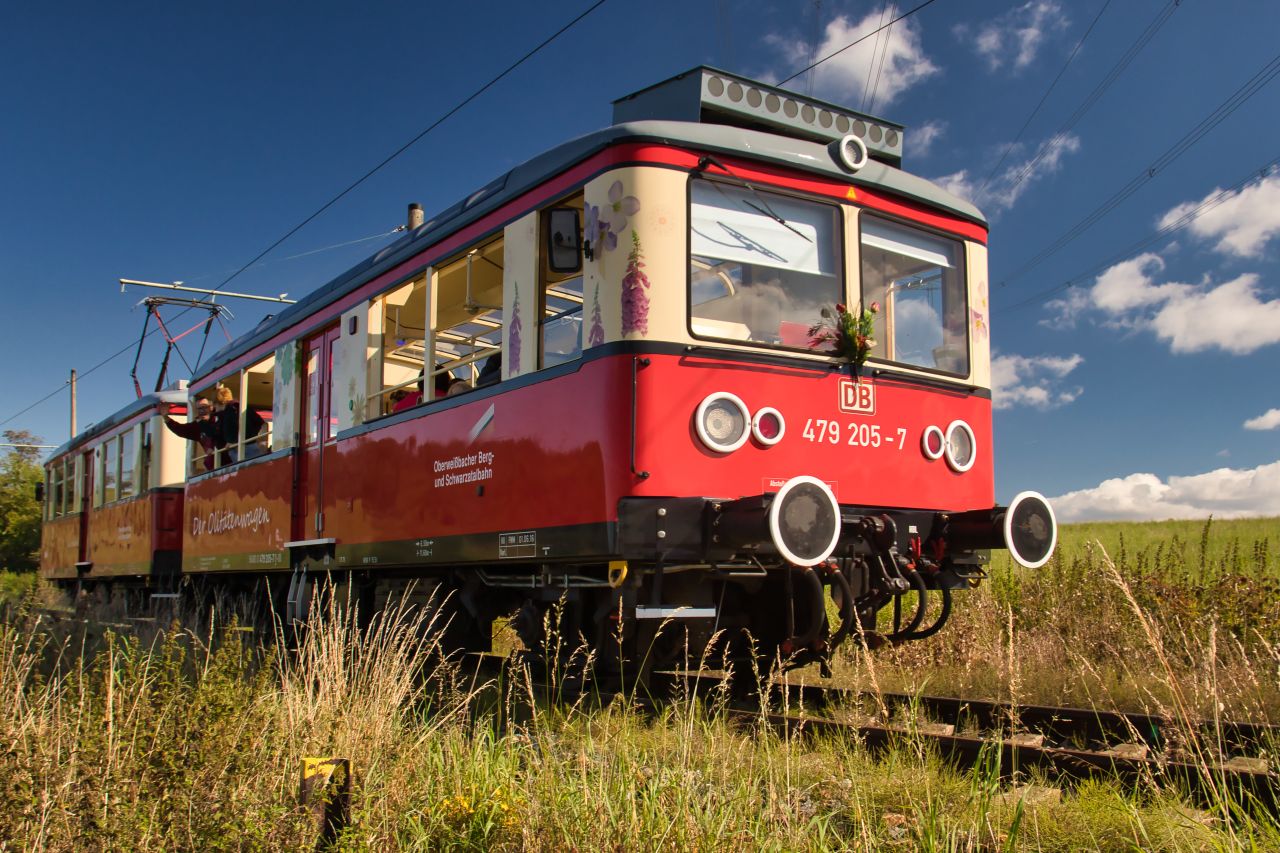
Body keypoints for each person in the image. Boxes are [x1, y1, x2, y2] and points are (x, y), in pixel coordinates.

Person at [162, 397, 221, 472]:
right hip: (214, 466)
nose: (202, 411)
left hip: (228, 460)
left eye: (204, 407)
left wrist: (212, 447)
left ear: (211, 407)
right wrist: (165, 417)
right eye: (199, 409)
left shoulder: (219, 419)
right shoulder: (197, 426)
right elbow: (181, 430)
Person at [213, 384, 266, 465]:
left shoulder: (230, 412)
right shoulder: (241, 407)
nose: (214, 406)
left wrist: (234, 441)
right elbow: (261, 423)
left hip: (243, 450)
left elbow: (242, 427)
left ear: (218, 402)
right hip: (250, 446)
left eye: (214, 403)